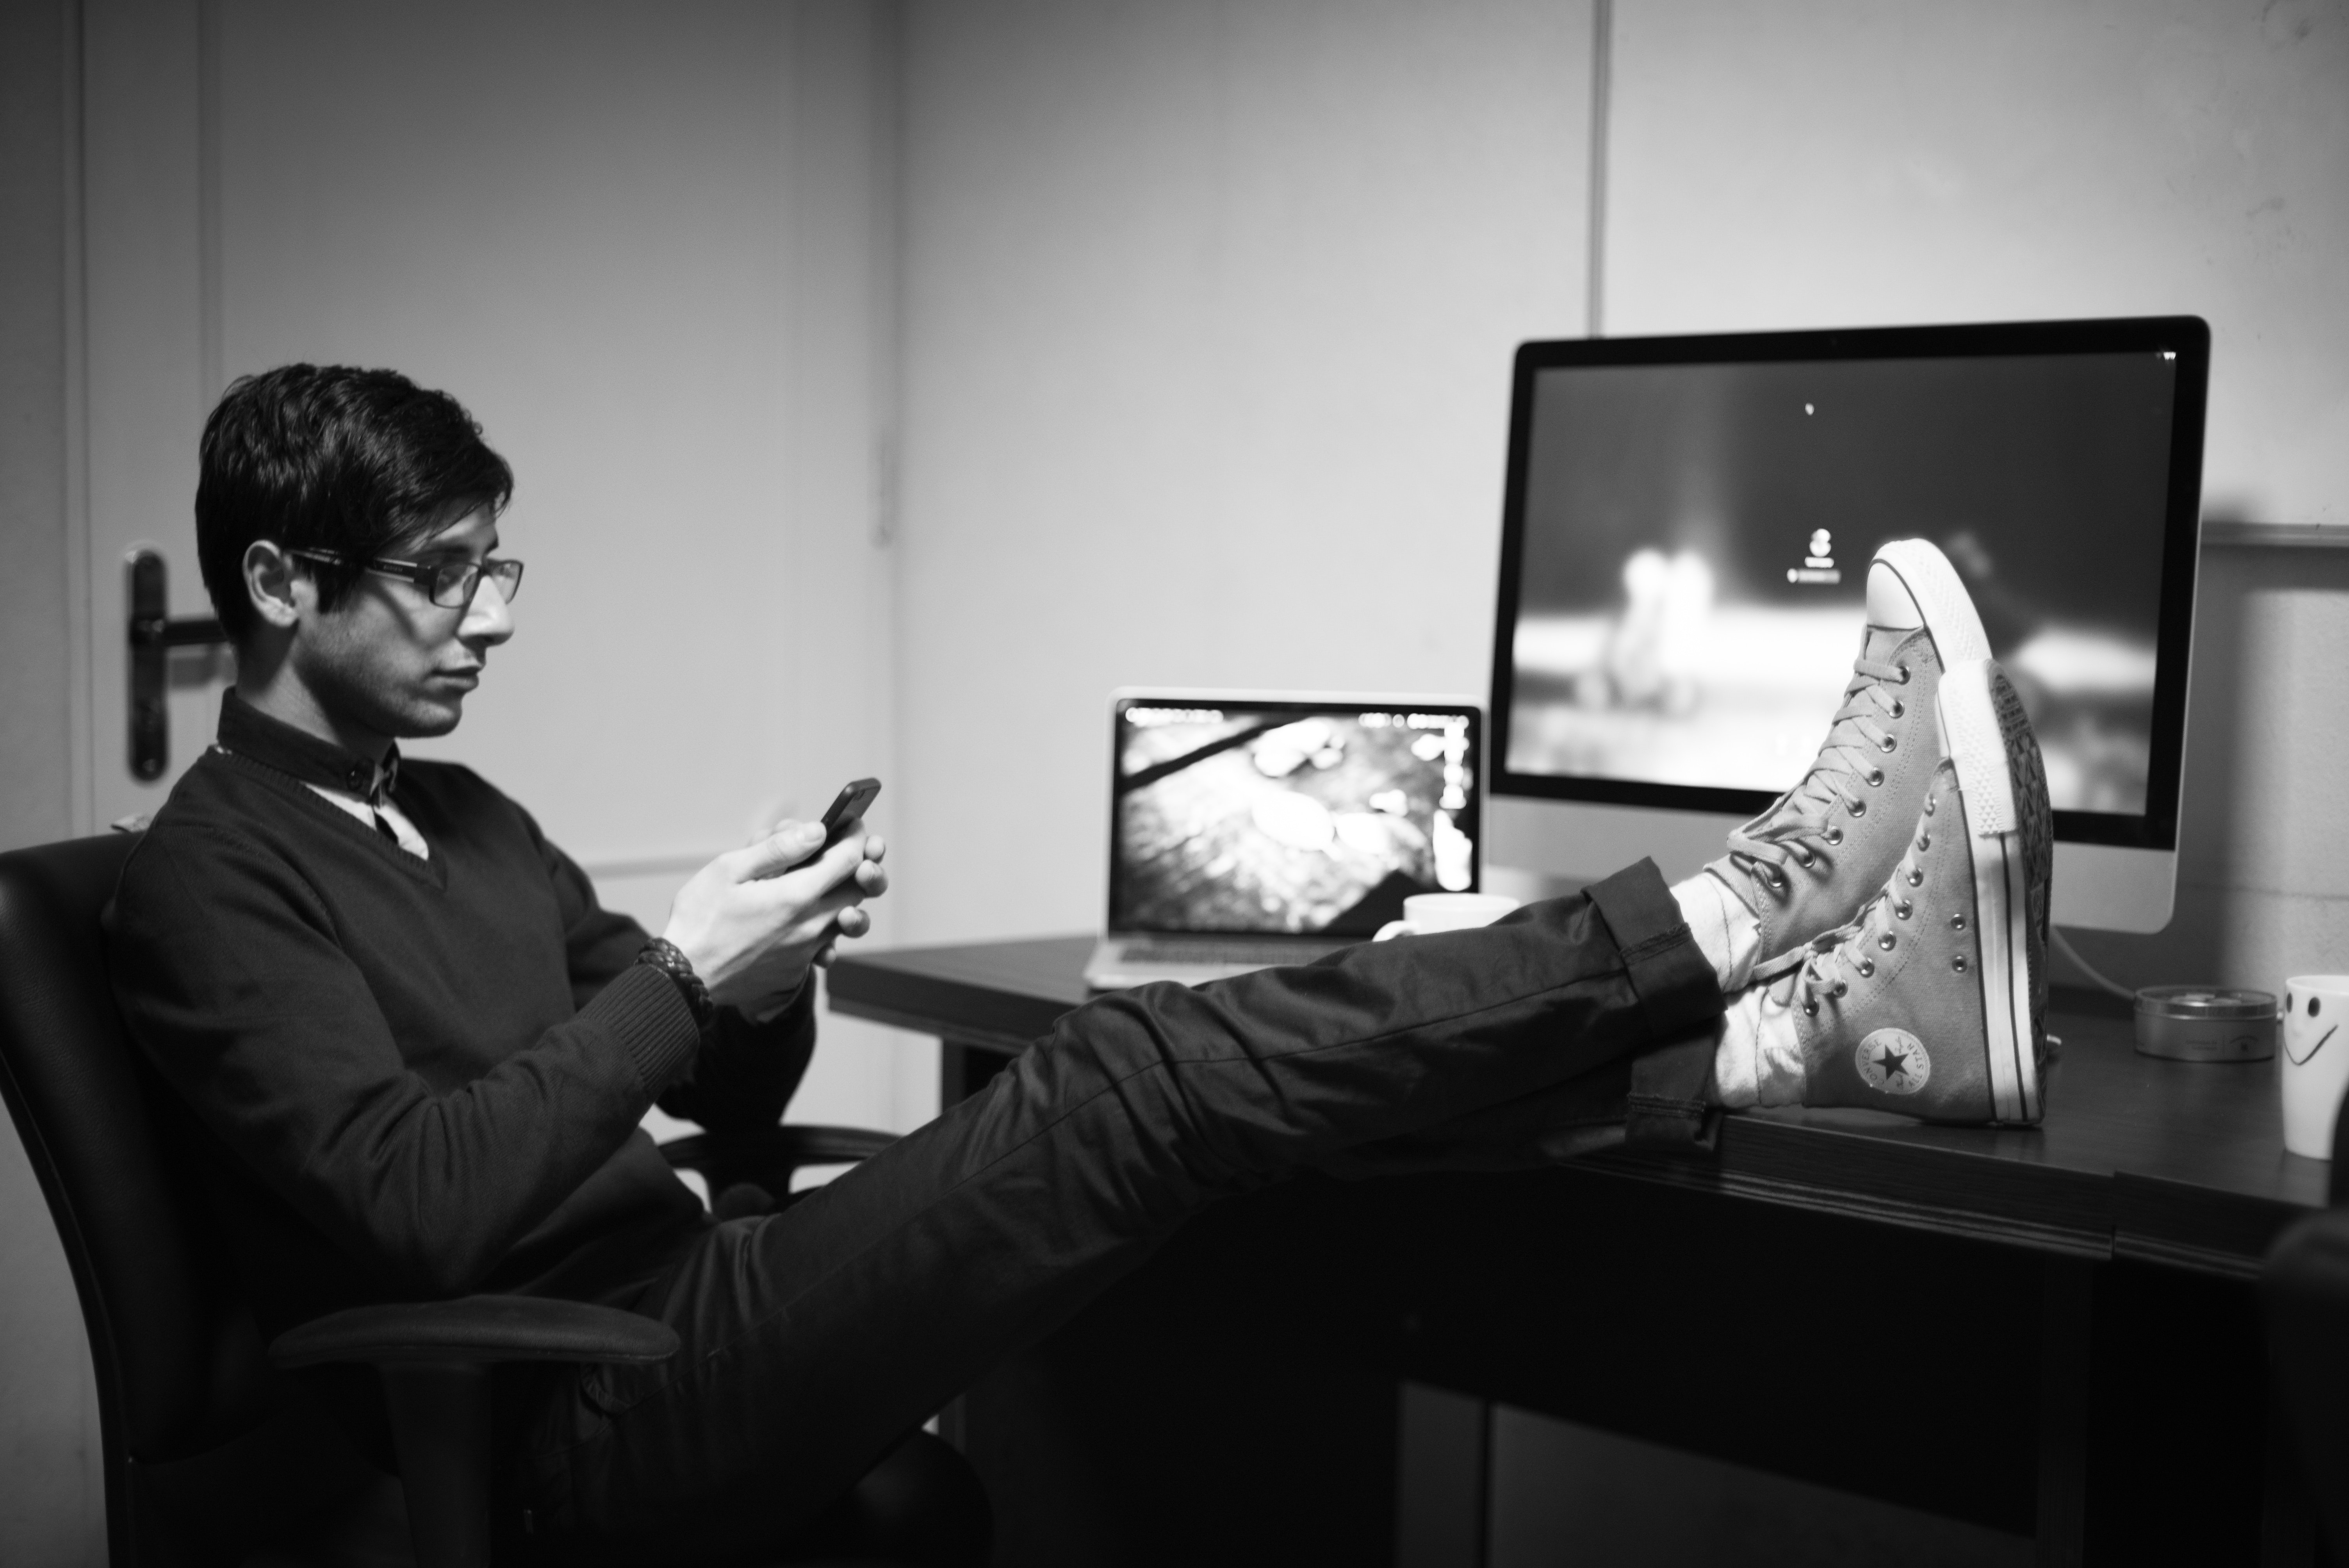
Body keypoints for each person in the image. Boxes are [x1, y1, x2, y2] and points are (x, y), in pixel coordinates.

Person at [105, 364, 2052, 1565]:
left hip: (705, 1298)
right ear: (279, 581)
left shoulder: (461, 813)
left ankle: (1758, 1041)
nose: (487, 624)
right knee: (1124, 1077)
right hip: (569, 1415)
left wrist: (756, 985)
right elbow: (418, 1210)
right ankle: (1745, 912)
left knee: (1243, 1144)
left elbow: (716, 1099)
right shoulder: (203, 883)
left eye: (495, 570)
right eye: (446, 578)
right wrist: (682, 981)